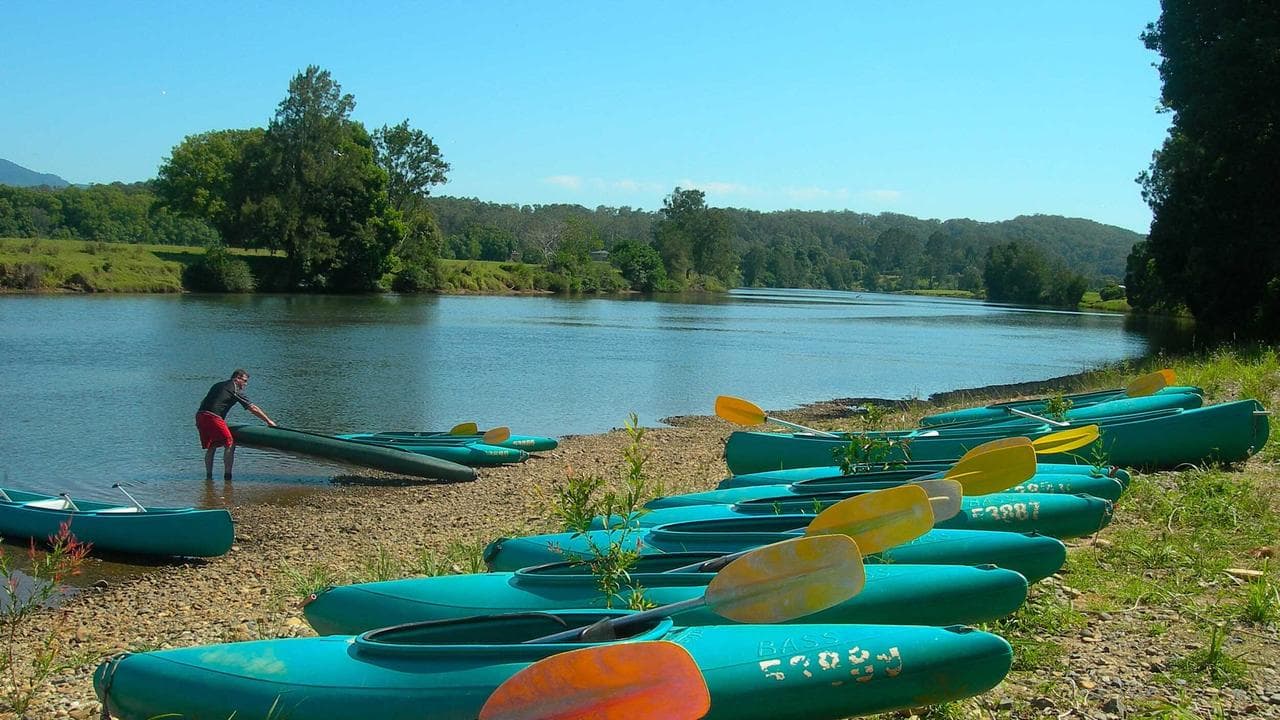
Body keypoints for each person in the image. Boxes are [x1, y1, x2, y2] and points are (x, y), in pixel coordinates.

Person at [195, 368, 276, 481]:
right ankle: (228, 477)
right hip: (213, 417)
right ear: (237, 378)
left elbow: (203, 401)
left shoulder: (218, 385)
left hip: (200, 416)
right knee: (229, 443)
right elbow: (252, 408)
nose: (245, 384)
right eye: (244, 380)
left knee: (211, 446)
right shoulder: (234, 390)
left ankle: (209, 477)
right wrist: (268, 421)